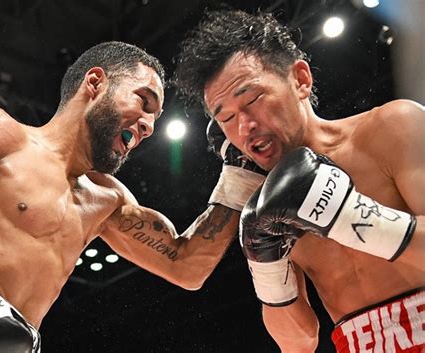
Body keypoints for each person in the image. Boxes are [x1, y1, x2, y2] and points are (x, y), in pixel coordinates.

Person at [0, 41, 266, 353]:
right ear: (95, 83)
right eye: (144, 102)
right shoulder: (1, 135)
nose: (148, 126)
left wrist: (239, 175)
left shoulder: (107, 200)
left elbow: (186, 266)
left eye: (155, 118)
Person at [172, 9, 425, 353]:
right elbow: (299, 344)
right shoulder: (269, 208)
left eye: (252, 99)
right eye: (227, 118)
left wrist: (349, 215)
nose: (244, 126)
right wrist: (267, 268)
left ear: (301, 79)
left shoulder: (391, 128)